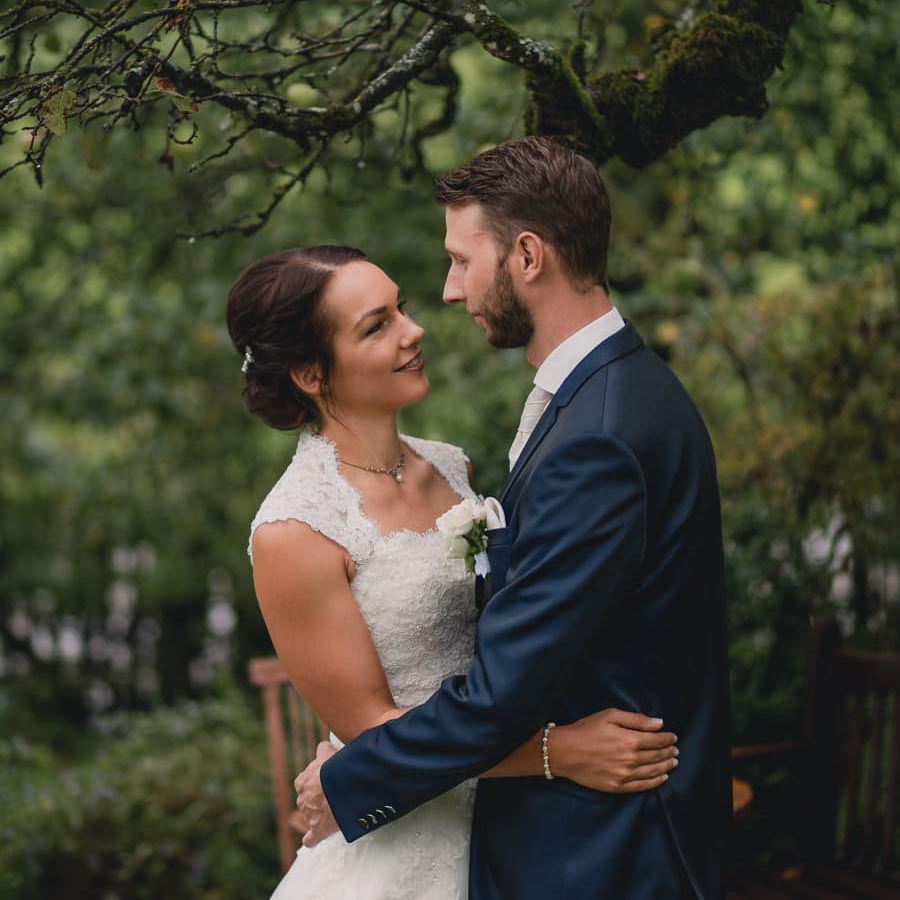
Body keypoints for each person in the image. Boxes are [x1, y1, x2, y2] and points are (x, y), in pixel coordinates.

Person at [294, 137, 731, 899]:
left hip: (603, 854)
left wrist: (349, 777)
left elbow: (503, 693)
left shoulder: (597, 434)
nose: (451, 292)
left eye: (462, 260)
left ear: (527, 256)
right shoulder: (609, 394)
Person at [228, 243, 678, 900]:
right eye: (377, 326)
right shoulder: (293, 530)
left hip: (518, 827)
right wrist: (559, 752)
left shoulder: (450, 467)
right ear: (310, 374)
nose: (415, 331)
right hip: (410, 839)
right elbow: (375, 735)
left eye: (401, 309)